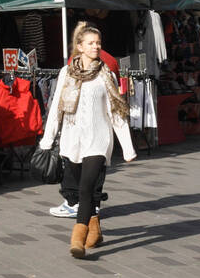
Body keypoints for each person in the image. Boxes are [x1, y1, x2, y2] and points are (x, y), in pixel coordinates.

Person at [39, 22, 136, 259]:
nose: (96, 47)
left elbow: (116, 111)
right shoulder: (66, 73)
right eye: (91, 43)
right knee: (80, 190)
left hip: (98, 140)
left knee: (85, 189)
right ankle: (95, 229)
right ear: (80, 46)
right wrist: (47, 139)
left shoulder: (106, 74)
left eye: (98, 43)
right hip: (73, 140)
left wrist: (127, 146)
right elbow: (57, 109)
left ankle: (77, 240)